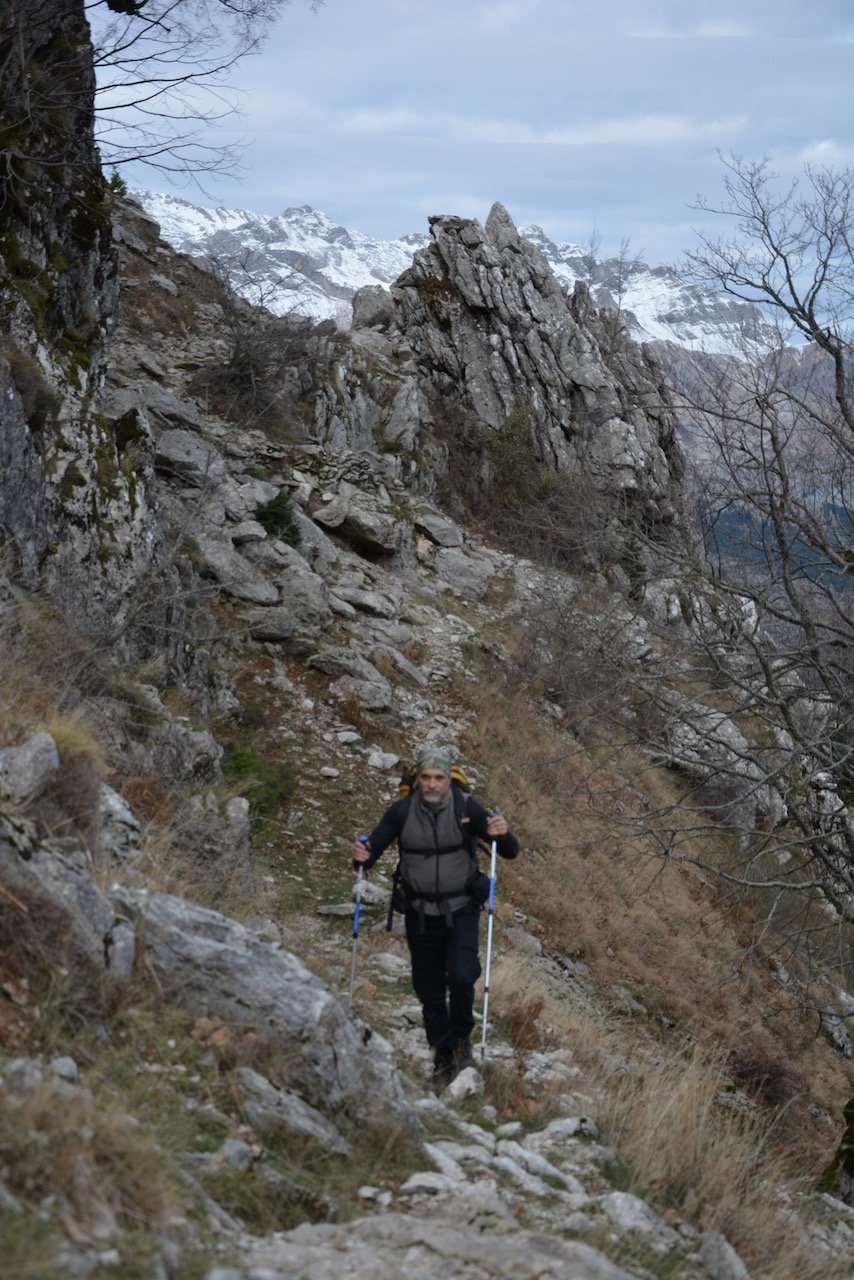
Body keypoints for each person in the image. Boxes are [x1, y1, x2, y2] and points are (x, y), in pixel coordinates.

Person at [351, 746, 519, 1092]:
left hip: (461, 910)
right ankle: (443, 1058)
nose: (432, 784)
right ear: (417, 781)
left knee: (461, 976)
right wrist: (360, 856)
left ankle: (461, 1046)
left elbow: (510, 851)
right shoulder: (401, 812)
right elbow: (369, 857)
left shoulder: (467, 808)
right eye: (426, 777)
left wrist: (503, 832)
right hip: (418, 913)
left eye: (439, 778)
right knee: (428, 990)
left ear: (449, 781)